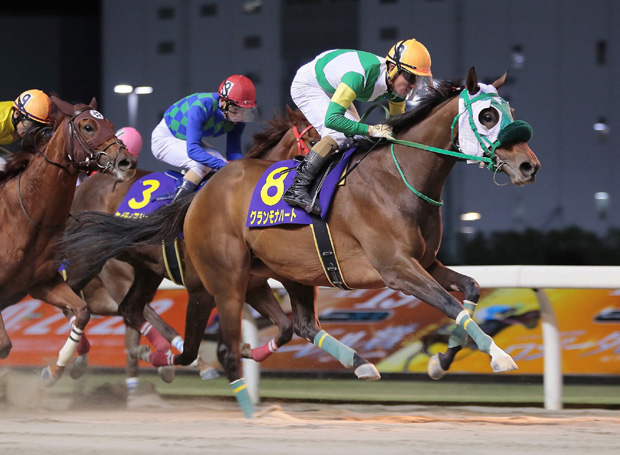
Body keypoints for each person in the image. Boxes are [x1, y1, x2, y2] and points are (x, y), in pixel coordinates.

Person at [283, 39, 432, 215]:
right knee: (338, 133)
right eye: (411, 77)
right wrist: (371, 130)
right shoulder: (358, 76)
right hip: (310, 84)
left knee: (356, 136)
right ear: (392, 69)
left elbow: (396, 126)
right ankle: (297, 186)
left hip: (334, 80)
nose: (413, 85)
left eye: (418, 79)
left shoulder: (397, 87)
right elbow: (332, 119)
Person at [151, 75, 257, 202]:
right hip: (164, 138)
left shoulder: (238, 120)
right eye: (235, 109)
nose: (239, 115)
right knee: (202, 163)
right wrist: (224, 166)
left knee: (221, 162)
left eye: (244, 110)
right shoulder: (201, 107)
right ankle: (175, 206)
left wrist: (245, 168)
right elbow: (193, 151)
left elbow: (233, 152)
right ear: (223, 101)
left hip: (185, 139)